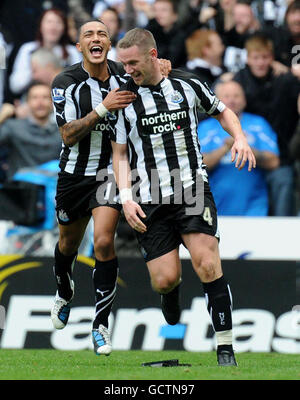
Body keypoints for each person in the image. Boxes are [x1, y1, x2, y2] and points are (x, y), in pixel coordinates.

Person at [110, 27, 256, 366]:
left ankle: (225, 348)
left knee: (207, 263)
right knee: (164, 279)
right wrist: (126, 198)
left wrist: (239, 138)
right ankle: (170, 293)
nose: (127, 70)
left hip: (191, 188)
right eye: (124, 64)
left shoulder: (186, 85)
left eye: (132, 62)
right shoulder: (123, 101)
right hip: (149, 198)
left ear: (152, 55)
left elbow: (222, 111)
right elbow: (120, 155)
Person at [50, 19, 170, 357]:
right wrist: (103, 107)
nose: (95, 38)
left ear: (109, 42)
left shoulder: (123, 74)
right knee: (67, 244)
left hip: (111, 173)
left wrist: (164, 67)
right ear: (79, 46)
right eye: (88, 34)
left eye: (101, 33)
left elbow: (152, 73)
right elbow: (68, 134)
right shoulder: (66, 82)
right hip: (73, 175)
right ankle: (64, 287)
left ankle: (100, 325)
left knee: (104, 241)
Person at [233, 33, 300, 215]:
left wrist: (290, 71)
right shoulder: (237, 81)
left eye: (265, 57)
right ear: (247, 59)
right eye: (256, 58)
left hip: (282, 152)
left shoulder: (284, 79)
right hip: (248, 155)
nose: (261, 62)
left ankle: (283, 229)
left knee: (283, 180)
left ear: (271, 58)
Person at [198, 80, 280, 216]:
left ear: (244, 100)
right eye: (227, 96)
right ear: (216, 100)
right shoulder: (205, 127)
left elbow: (274, 162)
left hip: (254, 207)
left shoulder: (258, 124)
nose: (232, 100)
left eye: (236, 96)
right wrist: (226, 147)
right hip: (215, 208)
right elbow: (197, 165)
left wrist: (245, 147)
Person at [9, 8, 82, 96]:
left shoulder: (72, 52)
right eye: (49, 22)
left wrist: (55, 76)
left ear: (64, 28)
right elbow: (14, 86)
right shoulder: (28, 49)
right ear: (41, 26)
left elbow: (81, 85)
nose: (53, 27)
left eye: (58, 22)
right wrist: (34, 74)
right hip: (31, 101)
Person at [0, 81, 61, 180]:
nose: (40, 102)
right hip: (21, 189)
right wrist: (2, 116)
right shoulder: (13, 127)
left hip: (53, 189)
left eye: (45, 97)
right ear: (27, 102)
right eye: (35, 97)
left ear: (52, 102)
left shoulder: (62, 131)